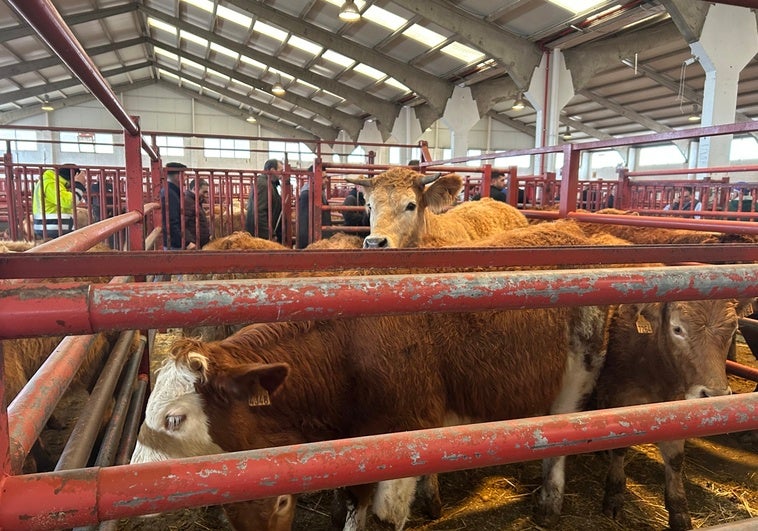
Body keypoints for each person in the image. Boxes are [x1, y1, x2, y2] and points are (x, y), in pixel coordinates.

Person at [32, 163, 86, 239]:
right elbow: (70, 202)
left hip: (50, 227)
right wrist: (79, 184)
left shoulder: (51, 182)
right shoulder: (51, 183)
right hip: (52, 227)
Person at [246, 158, 283, 243]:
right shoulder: (264, 185)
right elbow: (259, 212)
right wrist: (269, 235)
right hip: (261, 237)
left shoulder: (269, 184)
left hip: (262, 235)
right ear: (273, 170)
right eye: (281, 171)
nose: (282, 174)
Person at [297, 166, 332, 248]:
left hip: (319, 241)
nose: (327, 180)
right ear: (313, 178)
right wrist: (307, 247)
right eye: (323, 178)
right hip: (312, 243)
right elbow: (304, 224)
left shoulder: (318, 192)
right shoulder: (307, 194)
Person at [161, 162, 187, 250]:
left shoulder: (170, 191)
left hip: (172, 242)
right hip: (173, 244)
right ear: (177, 176)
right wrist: (183, 242)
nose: (186, 178)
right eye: (185, 175)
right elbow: (171, 222)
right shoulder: (170, 194)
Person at [184, 178, 211, 249]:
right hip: (193, 245)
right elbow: (182, 224)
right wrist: (188, 242)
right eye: (204, 192)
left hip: (198, 243)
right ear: (195, 189)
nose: (206, 195)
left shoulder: (195, 201)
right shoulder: (187, 202)